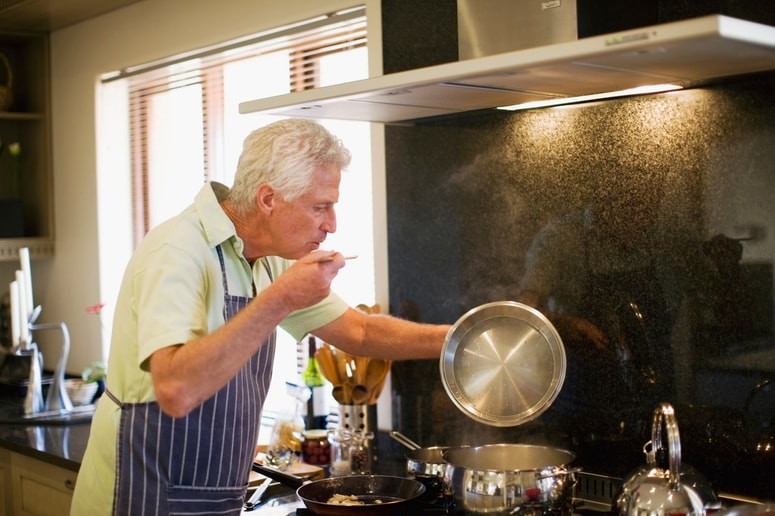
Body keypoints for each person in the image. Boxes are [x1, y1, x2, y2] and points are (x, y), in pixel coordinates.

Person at [71, 119, 450, 515]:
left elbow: (361, 330)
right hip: (140, 494)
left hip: (215, 496)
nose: (331, 224)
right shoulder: (177, 251)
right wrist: (281, 299)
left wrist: (462, 339)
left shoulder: (267, 257)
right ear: (268, 199)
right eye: (320, 206)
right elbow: (176, 389)